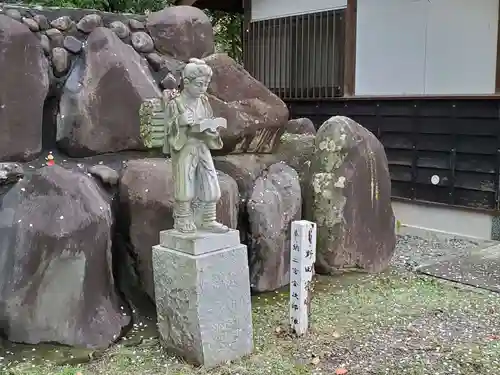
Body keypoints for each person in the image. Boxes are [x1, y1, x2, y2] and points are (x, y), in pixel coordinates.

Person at [163, 58, 229, 234]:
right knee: (185, 182)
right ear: (187, 82)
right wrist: (180, 122)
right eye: (199, 84)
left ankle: (208, 218)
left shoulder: (204, 101)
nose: (203, 89)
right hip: (185, 147)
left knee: (210, 180)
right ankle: (183, 218)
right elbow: (168, 129)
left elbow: (207, 121)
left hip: (202, 145)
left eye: (206, 84)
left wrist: (212, 128)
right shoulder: (176, 103)